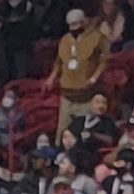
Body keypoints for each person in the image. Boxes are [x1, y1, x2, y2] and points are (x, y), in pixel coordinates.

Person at [48, 8, 110, 136]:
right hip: (67, 93)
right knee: (63, 131)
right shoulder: (65, 39)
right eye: (70, 25)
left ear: (84, 22)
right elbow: (58, 62)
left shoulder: (97, 37)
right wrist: (52, 76)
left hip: (86, 94)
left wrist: (94, 78)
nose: (73, 28)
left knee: (83, 131)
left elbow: (105, 61)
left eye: (76, 24)